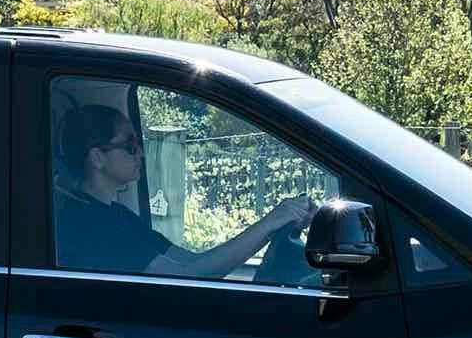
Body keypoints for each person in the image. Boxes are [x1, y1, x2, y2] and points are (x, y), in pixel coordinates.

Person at [51, 101, 314, 278]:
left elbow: (191, 261)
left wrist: (272, 224)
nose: (140, 153)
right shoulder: (91, 227)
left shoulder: (117, 216)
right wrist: (271, 222)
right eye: (130, 145)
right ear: (97, 158)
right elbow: (190, 275)